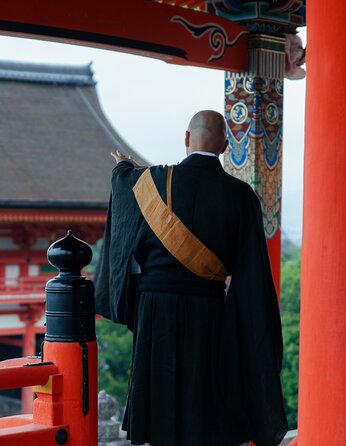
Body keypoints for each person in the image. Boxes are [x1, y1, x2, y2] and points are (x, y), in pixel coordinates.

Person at [95, 110, 288, 446]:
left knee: (161, 402)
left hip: (156, 311)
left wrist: (123, 166)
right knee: (204, 400)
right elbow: (252, 273)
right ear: (226, 146)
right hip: (209, 311)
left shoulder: (152, 181)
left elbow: (126, 187)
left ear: (186, 139)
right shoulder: (242, 196)